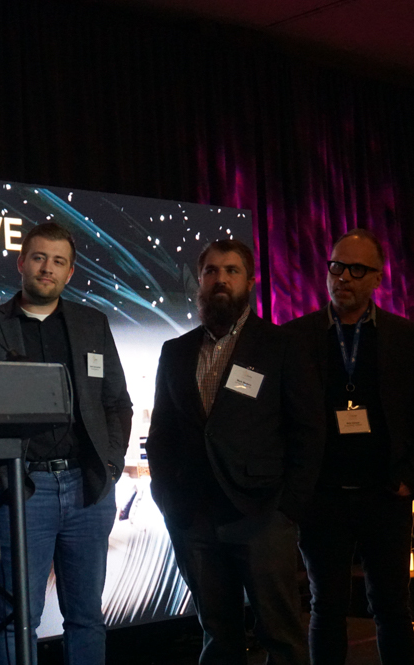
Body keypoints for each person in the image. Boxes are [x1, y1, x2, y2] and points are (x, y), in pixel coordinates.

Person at [0, 223, 133, 665]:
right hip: (22, 490)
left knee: (87, 617)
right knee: (18, 619)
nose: (47, 268)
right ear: (21, 262)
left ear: (70, 272)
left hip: (88, 489)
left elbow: (117, 403)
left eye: (58, 261)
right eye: (38, 257)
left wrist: (110, 465)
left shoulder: (92, 324)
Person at [146, 239, 323, 665]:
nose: (220, 279)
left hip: (261, 516)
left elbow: (308, 430)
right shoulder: (175, 351)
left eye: (231, 270)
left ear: (250, 281)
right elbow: (162, 434)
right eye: (211, 271)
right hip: (194, 517)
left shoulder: (281, 345)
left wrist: (288, 509)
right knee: (217, 636)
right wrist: (166, 499)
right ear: (200, 281)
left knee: (281, 636)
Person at [284, 229, 414, 665]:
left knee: (392, 607)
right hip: (322, 499)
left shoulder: (406, 337)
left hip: (385, 495)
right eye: (336, 267)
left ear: (377, 277)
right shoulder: (295, 336)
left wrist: (410, 478)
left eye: (356, 269)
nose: (343, 278)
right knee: (326, 608)